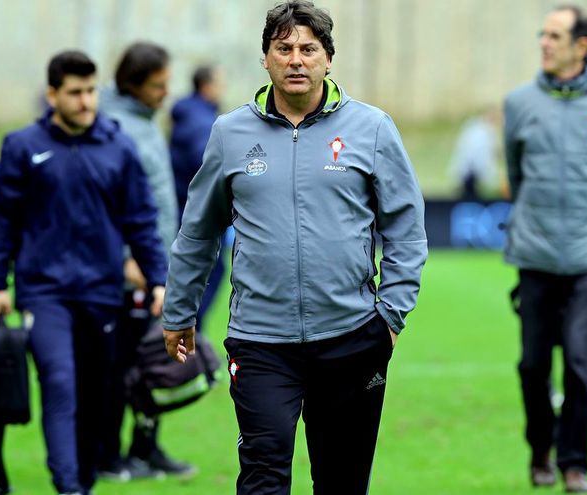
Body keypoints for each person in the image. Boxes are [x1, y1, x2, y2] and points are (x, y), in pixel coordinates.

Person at [162, 1, 427, 493]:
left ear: (328, 59)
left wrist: (390, 316)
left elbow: (405, 229)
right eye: (284, 49)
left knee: (342, 481)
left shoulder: (372, 129)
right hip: (261, 340)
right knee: (263, 476)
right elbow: (198, 232)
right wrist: (179, 312)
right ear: (266, 58)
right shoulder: (229, 133)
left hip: (351, 336)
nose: (296, 59)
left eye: (309, 49)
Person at [0, 50, 169, 495]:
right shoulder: (22, 146)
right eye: (75, 93)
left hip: (103, 292)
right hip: (43, 291)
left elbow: (140, 220)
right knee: (60, 380)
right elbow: (2, 218)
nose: (86, 102)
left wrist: (158, 278)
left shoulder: (119, 146)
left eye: (90, 91)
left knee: (95, 395)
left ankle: (82, 480)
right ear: (52, 95)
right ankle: (68, 486)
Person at [503, 5, 587, 492]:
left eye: (555, 36)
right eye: (543, 34)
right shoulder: (519, 102)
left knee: (581, 364)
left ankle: (574, 464)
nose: (544, 42)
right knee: (533, 366)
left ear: (581, 46)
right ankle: (540, 449)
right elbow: (516, 176)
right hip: (535, 256)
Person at [98, 41, 196, 480]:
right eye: (158, 85)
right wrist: (127, 261)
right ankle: (108, 456)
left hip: (155, 269)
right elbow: (105, 204)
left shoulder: (143, 123)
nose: (166, 93)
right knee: (120, 368)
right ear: (134, 85)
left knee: (152, 363)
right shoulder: (114, 128)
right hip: (128, 275)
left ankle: (146, 448)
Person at [170, 64, 226, 333]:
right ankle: (192, 331)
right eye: (219, 83)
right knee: (208, 272)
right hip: (195, 215)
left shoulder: (190, 115)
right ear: (206, 86)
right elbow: (205, 164)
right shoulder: (201, 122)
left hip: (183, 210)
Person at [449, 107, 501, 200]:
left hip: (468, 172)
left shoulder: (474, 129)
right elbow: (480, 156)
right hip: (471, 173)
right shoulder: (481, 133)